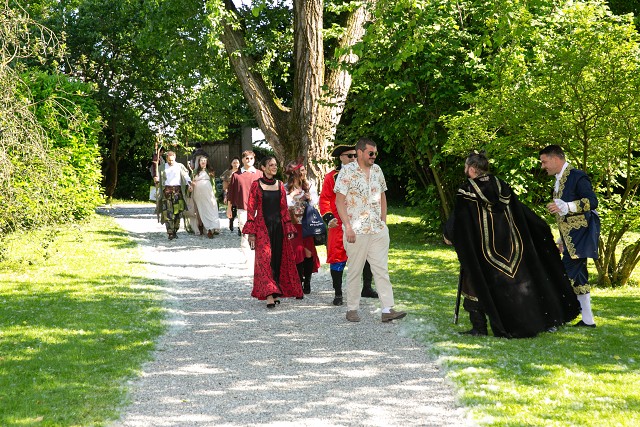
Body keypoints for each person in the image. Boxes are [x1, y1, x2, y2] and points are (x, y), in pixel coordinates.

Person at [443, 151, 581, 338]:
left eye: (466, 166)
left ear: (473, 169)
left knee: (473, 281)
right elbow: (520, 211)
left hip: (481, 249)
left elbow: (459, 217)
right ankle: (522, 322)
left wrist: (448, 234)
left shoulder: (467, 190)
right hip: (511, 248)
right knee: (515, 285)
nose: (465, 169)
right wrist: (538, 228)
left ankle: (479, 327)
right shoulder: (502, 186)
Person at [334, 137, 407, 323]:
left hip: (377, 230)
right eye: (371, 153)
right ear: (360, 153)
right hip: (356, 230)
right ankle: (352, 309)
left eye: (375, 153)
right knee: (355, 271)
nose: (374, 156)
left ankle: (387, 309)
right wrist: (348, 227)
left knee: (381, 270)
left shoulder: (377, 170)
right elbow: (339, 201)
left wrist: (384, 223)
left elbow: (382, 196)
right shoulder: (347, 171)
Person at [540, 145, 600, 328]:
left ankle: (555, 320)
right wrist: (562, 238)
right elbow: (564, 215)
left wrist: (568, 206)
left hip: (580, 238)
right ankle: (588, 320)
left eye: (544, 162)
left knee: (560, 276)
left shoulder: (577, 176)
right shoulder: (559, 179)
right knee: (579, 278)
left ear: (555, 159)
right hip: (571, 238)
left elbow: (592, 201)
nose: (543, 166)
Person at [319, 144, 378, 306]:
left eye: (355, 156)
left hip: (361, 222)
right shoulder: (331, 177)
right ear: (341, 158)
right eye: (349, 156)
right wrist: (329, 217)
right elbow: (324, 199)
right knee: (337, 257)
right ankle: (338, 293)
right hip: (339, 224)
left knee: (366, 255)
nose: (353, 159)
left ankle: (367, 288)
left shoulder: (365, 173)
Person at [243, 157, 303, 307]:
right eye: (271, 165)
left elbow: (283, 208)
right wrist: (251, 232)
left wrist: (288, 226)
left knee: (277, 259)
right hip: (262, 227)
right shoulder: (256, 185)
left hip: (278, 227)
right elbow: (251, 208)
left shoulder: (280, 185)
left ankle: (275, 291)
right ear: (263, 168)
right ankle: (269, 294)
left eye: (275, 165)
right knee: (265, 259)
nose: (274, 167)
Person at [285, 159, 321, 295]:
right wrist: (292, 195)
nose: (304, 172)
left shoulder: (309, 185)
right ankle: (299, 281)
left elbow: (315, 201)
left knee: (308, 251)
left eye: (304, 170)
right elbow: (284, 204)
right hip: (293, 223)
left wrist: (309, 198)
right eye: (301, 170)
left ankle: (307, 282)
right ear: (294, 173)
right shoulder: (286, 187)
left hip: (306, 223)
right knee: (297, 251)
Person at [226, 150, 263, 265]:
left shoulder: (259, 174)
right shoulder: (236, 175)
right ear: (242, 160)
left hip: (258, 209)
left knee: (259, 233)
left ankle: (259, 257)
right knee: (245, 233)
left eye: (251, 158)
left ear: (254, 159)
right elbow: (231, 193)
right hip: (243, 209)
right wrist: (229, 208)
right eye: (246, 158)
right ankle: (248, 257)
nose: (249, 160)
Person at [154, 151, 192, 240]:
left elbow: (186, 176)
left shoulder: (180, 166)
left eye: (172, 160)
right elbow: (158, 178)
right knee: (167, 213)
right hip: (166, 192)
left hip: (178, 193)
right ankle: (170, 232)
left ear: (175, 158)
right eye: (169, 160)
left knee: (177, 213)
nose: (171, 162)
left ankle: (175, 230)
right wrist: (156, 180)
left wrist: (189, 184)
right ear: (166, 159)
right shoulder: (162, 167)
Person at [191, 155, 221, 238]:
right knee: (201, 209)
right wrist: (191, 187)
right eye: (201, 160)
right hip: (198, 193)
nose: (203, 162)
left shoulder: (210, 171)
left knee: (211, 209)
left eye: (204, 160)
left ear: (207, 162)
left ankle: (211, 228)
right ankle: (203, 227)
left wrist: (215, 194)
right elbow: (191, 182)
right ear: (199, 162)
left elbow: (213, 183)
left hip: (209, 193)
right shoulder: (195, 172)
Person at [221, 157, 241, 233]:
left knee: (240, 211)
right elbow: (225, 186)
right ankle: (231, 222)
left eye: (237, 163)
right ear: (231, 164)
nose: (236, 164)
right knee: (233, 210)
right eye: (234, 163)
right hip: (231, 193)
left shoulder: (242, 172)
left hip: (240, 193)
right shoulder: (228, 173)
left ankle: (240, 228)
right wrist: (225, 196)